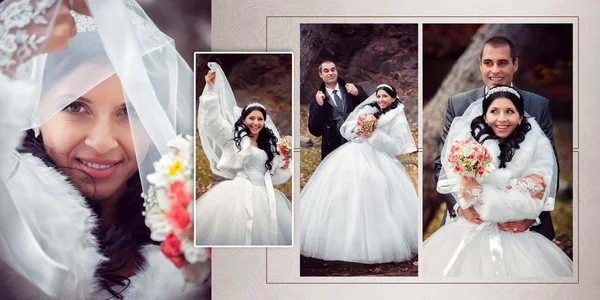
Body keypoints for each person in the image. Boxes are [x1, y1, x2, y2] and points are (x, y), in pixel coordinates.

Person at [0, 1, 209, 299]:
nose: (103, 142)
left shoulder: (196, 225)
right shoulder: (8, 218)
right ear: (36, 111)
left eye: (130, 111)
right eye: (75, 107)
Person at [422, 85, 572, 276]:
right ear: (485, 116)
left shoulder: (535, 143)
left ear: (520, 117)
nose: (502, 118)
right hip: (469, 231)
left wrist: (491, 187)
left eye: (509, 111)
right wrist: (517, 184)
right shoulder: (468, 146)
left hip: (516, 236)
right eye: (494, 111)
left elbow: (538, 191)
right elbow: (465, 193)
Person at [434, 36, 556, 240]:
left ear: (515, 65)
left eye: (503, 62)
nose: (495, 70)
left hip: (520, 223)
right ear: (480, 65)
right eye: (488, 63)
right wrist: (460, 206)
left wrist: (532, 216)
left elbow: (549, 167)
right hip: (468, 221)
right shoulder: (459, 104)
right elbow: (442, 163)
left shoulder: (538, 105)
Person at [300, 84, 418, 264]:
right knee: (343, 191)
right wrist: (358, 129)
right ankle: (340, 239)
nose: (381, 100)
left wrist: (374, 134)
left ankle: (376, 241)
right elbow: (347, 129)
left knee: (373, 189)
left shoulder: (397, 119)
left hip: (379, 157)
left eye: (385, 96)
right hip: (353, 152)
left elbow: (395, 146)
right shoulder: (368, 109)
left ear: (393, 98)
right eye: (379, 96)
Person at [195, 63, 292, 246]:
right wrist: (210, 91)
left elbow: (274, 176)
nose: (256, 122)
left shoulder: (268, 145)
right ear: (244, 120)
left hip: (264, 196)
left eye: (260, 119)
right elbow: (211, 122)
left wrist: (284, 166)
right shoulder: (233, 137)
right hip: (237, 194)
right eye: (252, 118)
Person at [308, 60, 369, 159]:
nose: (331, 73)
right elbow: (315, 131)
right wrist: (320, 106)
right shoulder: (316, 101)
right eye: (326, 71)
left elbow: (370, 108)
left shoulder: (353, 89)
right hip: (333, 148)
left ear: (337, 71)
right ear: (320, 74)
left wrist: (358, 93)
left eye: (333, 70)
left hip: (357, 143)